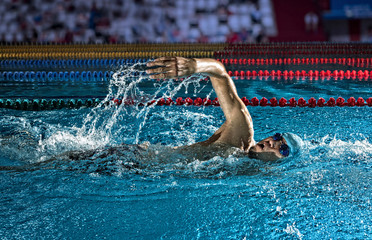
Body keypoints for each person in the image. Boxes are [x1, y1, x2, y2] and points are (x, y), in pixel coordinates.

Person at [146, 57, 301, 161]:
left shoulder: (254, 171)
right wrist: (194, 65)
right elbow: (220, 74)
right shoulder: (241, 135)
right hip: (143, 160)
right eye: (277, 137)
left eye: (283, 149)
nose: (273, 143)